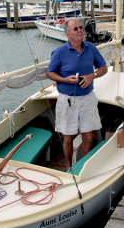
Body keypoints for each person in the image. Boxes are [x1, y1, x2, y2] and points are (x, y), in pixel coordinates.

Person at [46, 18, 107, 169]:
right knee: (68, 138)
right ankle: (68, 167)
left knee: (87, 137)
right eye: (75, 29)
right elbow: (49, 73)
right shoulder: (59, 52)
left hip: (88, 98)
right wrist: (65, 80)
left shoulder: (91, 47)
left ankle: (83, 166)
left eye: (80, 27)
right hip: (67, 100)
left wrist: (92, 75)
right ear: (67, 34)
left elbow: (103, 68)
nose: (80, 30)